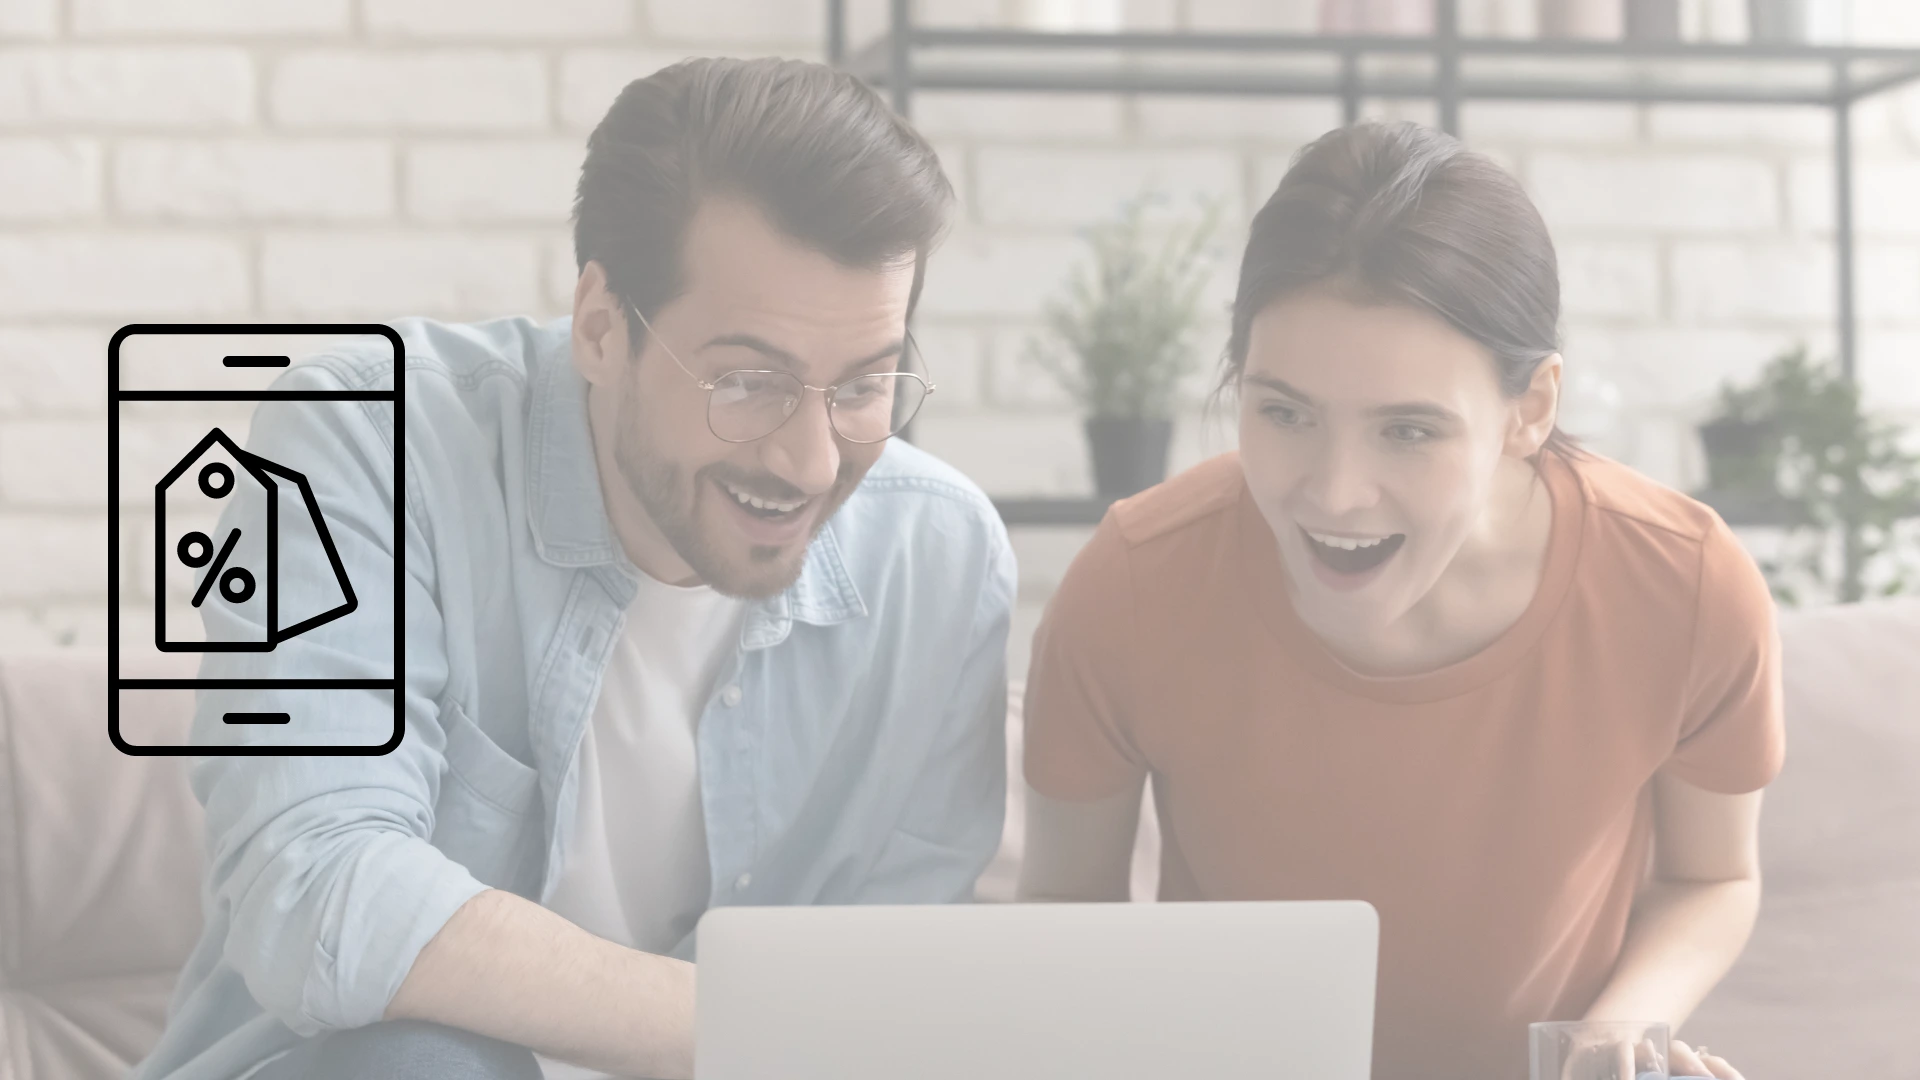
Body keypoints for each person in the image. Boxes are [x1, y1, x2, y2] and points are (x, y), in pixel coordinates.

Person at [134, 57, 1014, 1080]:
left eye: (864, 386)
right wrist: (743, 1031)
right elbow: (315, 889)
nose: (812, 463)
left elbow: (892, 992)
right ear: (601, 327)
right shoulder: (362, 440)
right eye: (749, 382)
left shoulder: (937, 560)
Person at [1017, 122, 1780, 1080]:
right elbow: (1065, 914)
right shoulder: (1134, 585)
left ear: (1531, 409)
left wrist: (1619, 1034)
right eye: (1284, 411)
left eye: (1409, 431)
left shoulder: (1685, 587)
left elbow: (1712, 876)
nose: (1335, 495)